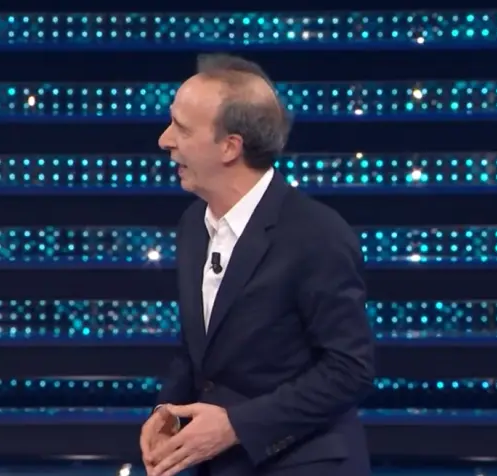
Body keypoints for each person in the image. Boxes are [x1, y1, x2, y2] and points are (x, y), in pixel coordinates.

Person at [139, 54, 376, 476]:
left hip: (304, 463)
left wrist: (237, 426)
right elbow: (199, 348)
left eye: (182, 128)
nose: (164, 140)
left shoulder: (315, 234)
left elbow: (349, 370)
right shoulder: (193, 224)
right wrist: (167, 412)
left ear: (230, 147)